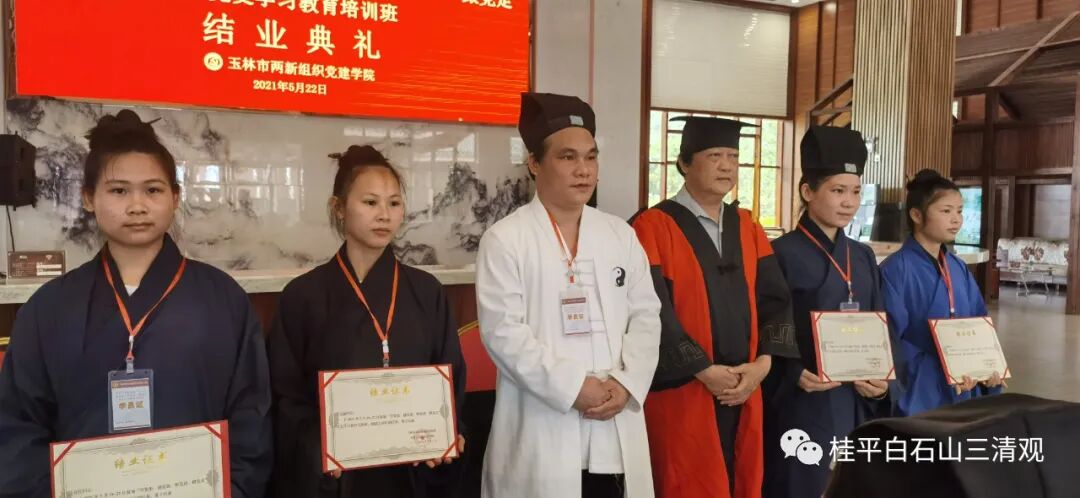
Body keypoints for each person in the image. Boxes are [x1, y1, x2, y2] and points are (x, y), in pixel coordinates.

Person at [0, 110, 272, 498]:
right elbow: (18, 427)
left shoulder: (223, 298)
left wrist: (236, 489)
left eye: (153, 190)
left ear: (175, 197)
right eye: (118, 191)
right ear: (89, 198)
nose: (137, 206)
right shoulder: (48, 308)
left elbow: (251, 416)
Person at [475, 92, 662, 498]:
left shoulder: (619, 234)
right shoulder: (506, 240)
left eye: (591, 157)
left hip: (614, 423)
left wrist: (626, 384)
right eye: (567, 157)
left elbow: (647, 315)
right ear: (534, 163)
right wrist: (573, 387)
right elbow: (504, 334)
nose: (584, 170)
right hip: (543, 425)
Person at [268, 145, 467, 498]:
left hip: (413, 474)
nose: (384, 215)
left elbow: (450, 377)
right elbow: (286, 395)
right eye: (370, 202)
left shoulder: (427, 291)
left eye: (394, 203)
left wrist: (448, 431)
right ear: (339, 208)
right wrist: (318, 448)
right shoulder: (303, 296)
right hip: (339, 480)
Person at [629, 116, 799, 498]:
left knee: (741, 477)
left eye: (733, 157)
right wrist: (703, 370)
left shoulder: (748, 226)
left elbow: (775, 300)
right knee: (686, 481)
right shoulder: (651, 226)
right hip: (685, 390)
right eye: (714, 156)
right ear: (684, 163)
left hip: (744, 386)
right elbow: (652, 310)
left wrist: (762, 365)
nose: (726, 166)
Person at [765, 126, 891, 498]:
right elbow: (767, 326)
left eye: (856, 191)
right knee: (802, 485)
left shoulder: (862, 255)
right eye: (838, 191)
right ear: (808, 191)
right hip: (805, 397)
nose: (849, 202)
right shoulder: (780, 253)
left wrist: (884, 381)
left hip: (855, 398)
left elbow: (881, 323)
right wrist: (792, 372)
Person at [880, 169, 1004, 417]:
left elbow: (979, 322)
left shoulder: (957, 267)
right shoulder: (895, 269)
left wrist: (986, 367)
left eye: (959, 211)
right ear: (917, 215)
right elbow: (890, 339)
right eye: (946, 211)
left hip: (964, 382)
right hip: (921, 386)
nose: (956, 220)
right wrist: (939, 368)